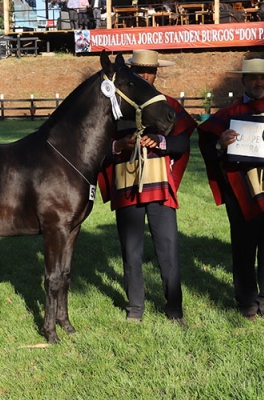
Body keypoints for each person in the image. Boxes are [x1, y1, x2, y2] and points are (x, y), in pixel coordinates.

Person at [197, 59, 264, 323]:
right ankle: (246, 302)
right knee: (243, 248)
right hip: (240, 190)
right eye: (253, 78)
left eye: (263, 78)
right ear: (243, 81)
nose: (259, 82)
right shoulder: (227, 115)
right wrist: (220, 144)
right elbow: (208, 147)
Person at [98, 50, 197, 325]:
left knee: (168, 249)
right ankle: (135, 308)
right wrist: (119, 145)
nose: (144, 76)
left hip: (160, 188)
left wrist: (161, 144)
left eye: (149, 71)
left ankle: (174, 308)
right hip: (126, 186)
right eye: (139, 71)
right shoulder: (115, 106)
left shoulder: (169, 105)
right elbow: (96, 147)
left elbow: (184, 144)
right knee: (131, 251)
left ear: (156, 73)